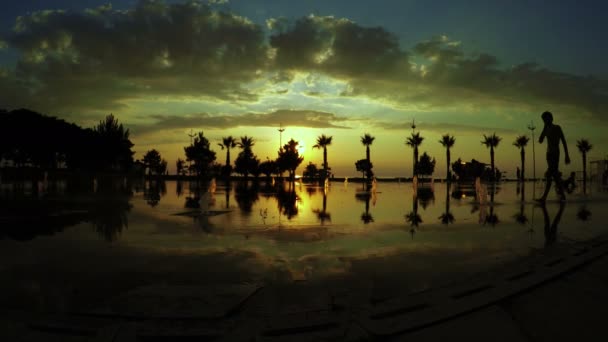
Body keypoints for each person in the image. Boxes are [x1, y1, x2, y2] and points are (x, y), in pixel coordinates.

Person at [537, 111, 570, 202]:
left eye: (546, 119)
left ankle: (544, 197)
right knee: (554, 176)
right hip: (548, 154)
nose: (545, 121)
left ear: (551, 118)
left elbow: (563, 141)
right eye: (543, 120)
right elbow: (540, 140)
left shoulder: (557, 127)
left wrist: (567, 155)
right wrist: (544, 128)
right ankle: (562, 196)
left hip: (555, 153)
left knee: (550, 174)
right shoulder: (546, 128)